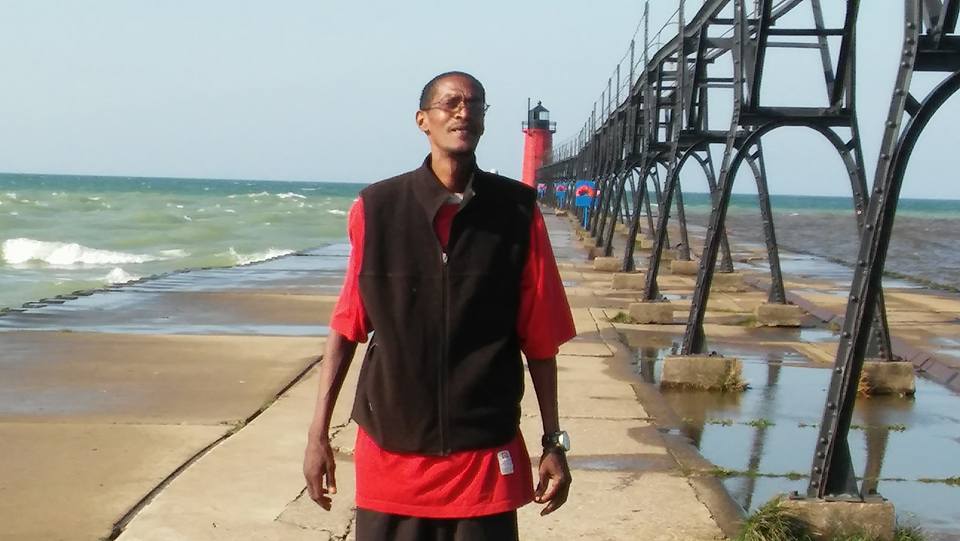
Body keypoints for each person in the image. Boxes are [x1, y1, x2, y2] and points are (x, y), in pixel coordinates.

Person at [303, 70, 576, 541]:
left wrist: (553, 441)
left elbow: (541, 337)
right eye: (449, 103)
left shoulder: (517, 211)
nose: (462, 112)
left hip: (483, 455)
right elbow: (348, 326)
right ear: (422, 120)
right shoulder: (377, 208)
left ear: (485, 122)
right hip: (393, 453)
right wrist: (317, 434)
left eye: (474, 104)